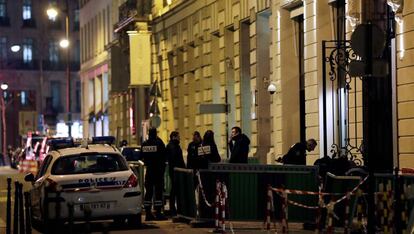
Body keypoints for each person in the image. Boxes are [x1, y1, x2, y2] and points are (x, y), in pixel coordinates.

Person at [141, 128, 167, 221]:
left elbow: (141, 157)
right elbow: (164, 155)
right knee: (158, 193)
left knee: (148, 193)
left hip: (149, 171)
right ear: (156, 134)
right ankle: (158, 213)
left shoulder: (144, 144)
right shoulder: (159, 143)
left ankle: (148, 214)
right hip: (158, 171)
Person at [166, 131, 185, 216]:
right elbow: (176, 159)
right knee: (174, 190)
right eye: (178, 136)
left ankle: (175, 208)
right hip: (175, 171)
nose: (179, 138)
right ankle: (173, 209)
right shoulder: (172, 146)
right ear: (174, 137)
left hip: (176, 170)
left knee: (176, 190)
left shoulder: (175, 145)